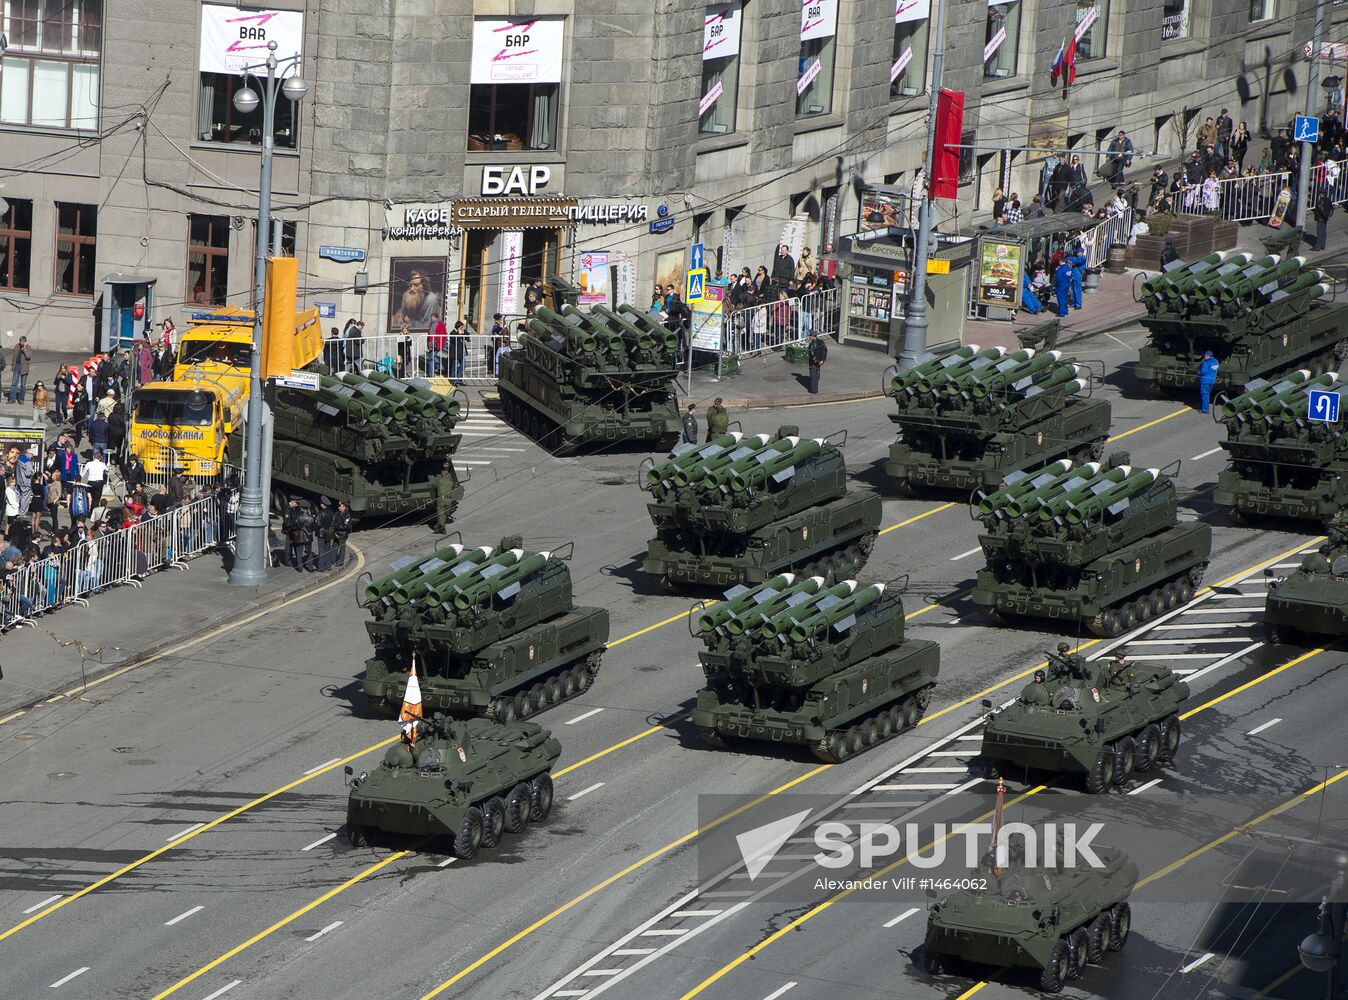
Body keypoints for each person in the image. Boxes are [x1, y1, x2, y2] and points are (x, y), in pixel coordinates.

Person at [432, 463, 456, 533]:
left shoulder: (439, 481)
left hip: (441, 499)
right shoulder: (451, 481)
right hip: (449, 499)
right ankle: (441, 526)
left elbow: (433, 486)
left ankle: (442, 528)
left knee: (441, 513)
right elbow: (454, 486)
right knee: (445, 513)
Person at [7, 335, 32, 403]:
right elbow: (14, 357)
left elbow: (28, 357)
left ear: (25, 342)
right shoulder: (16, 346)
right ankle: (12, 399)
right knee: (14, 383)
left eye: (23, 342)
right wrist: (13, 366)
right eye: (20, 341)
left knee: (23, 385)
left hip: (25, 367)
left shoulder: (29, 347)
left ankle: (21, 399)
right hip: (17, 366)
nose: (21, 343)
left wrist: (24, 349)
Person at [1065, 246, 1087, 311]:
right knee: (1073, 290)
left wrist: (1072, 262)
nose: (1078, 253)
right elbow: (1067, 259)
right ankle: (1074, 303)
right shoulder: (1076, 258)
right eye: (1077, 252)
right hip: (1073, 276)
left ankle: (1078, 305)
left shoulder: (1083, 258)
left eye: (1079, 252)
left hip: (1078, 276)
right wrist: (1070, 261)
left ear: (1082, 253)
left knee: (1077, 290)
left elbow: (1077, 261)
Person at [1313, 186, 1334, 251]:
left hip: (1320, 218)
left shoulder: (1320, 201)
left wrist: (1324, 216)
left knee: (1319, 232)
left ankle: (1318, 246)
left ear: (1321, 193)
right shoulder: (1328, 200)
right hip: (1325, 218)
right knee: (1324, 232)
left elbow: (1321, 210)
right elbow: (1332, 208)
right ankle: (1323, 245)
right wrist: (1328, 216)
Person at [332, 498, 352, 567]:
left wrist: (336, 527)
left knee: (342, 548)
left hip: (342, 534)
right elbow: (333, 521)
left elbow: (345, 526)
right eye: (339, 506)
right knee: (334, 546)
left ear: (345, 507)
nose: (339, 507)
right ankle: (332, 559)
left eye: (341, 506)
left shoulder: (347, 515)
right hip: (336, 533)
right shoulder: (337, 513)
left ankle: (340, 561)